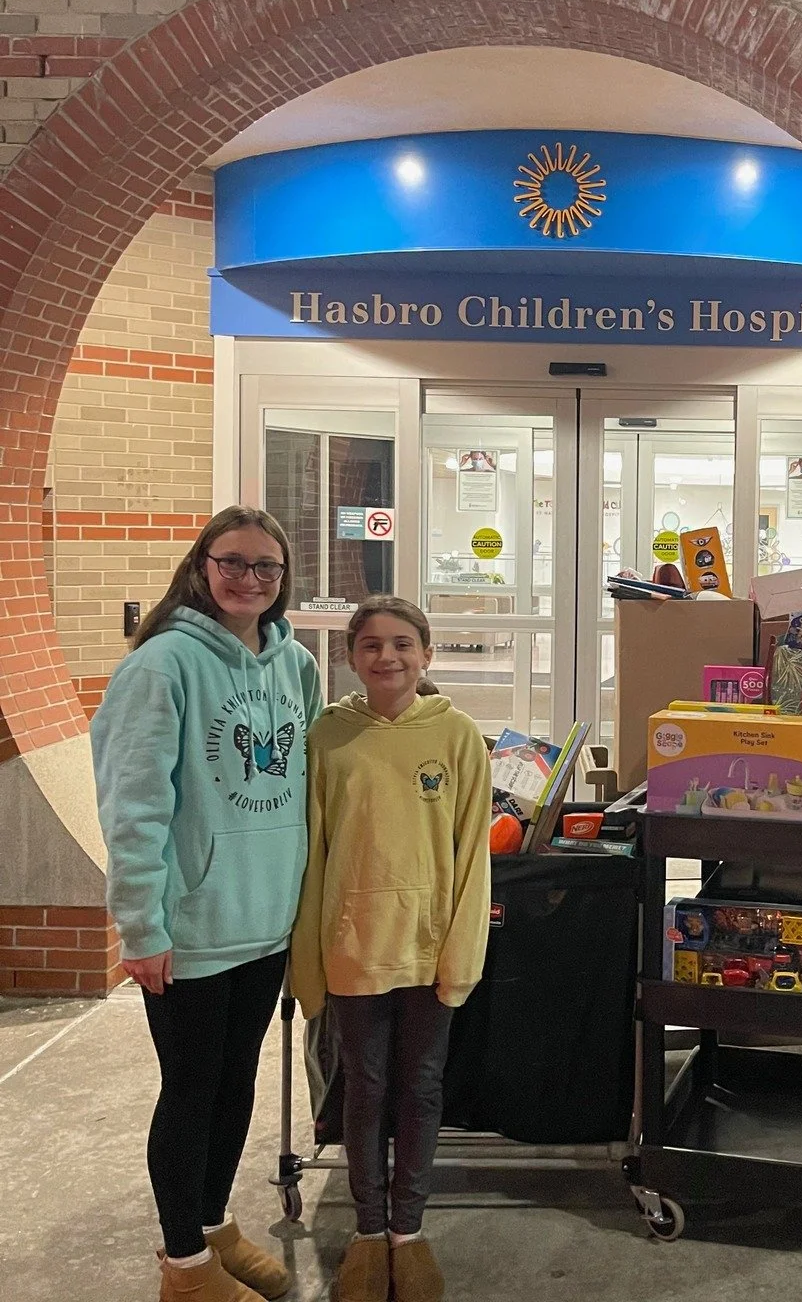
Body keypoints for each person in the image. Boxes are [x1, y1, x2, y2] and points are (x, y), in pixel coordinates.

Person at [93, 506, 322, 1302]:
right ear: (202, 566)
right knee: (191, 1089)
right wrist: (142, 926)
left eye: (267, 567)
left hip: (264, 921)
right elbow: (134, 810)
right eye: (234, 562)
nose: (250, 579)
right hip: (189, 926)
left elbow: (305, 785)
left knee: (238, 1087)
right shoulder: (161, 666)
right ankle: (184, 1265)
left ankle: (215, 1225)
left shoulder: (296, 665)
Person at [290, 596, 491, 1302]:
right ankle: (368, 1232)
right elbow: (312, 854)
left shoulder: (459, 736)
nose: (388, 658)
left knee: (421, 1087)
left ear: (427, 654)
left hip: (429, 948)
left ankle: (410, 1230)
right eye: (371, 645)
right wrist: (307, 958)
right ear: (350, 657)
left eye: (403, 644)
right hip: (353, 948)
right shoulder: (328, 737)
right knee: (365, 1087)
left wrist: (460, 953)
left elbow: (473, 858)